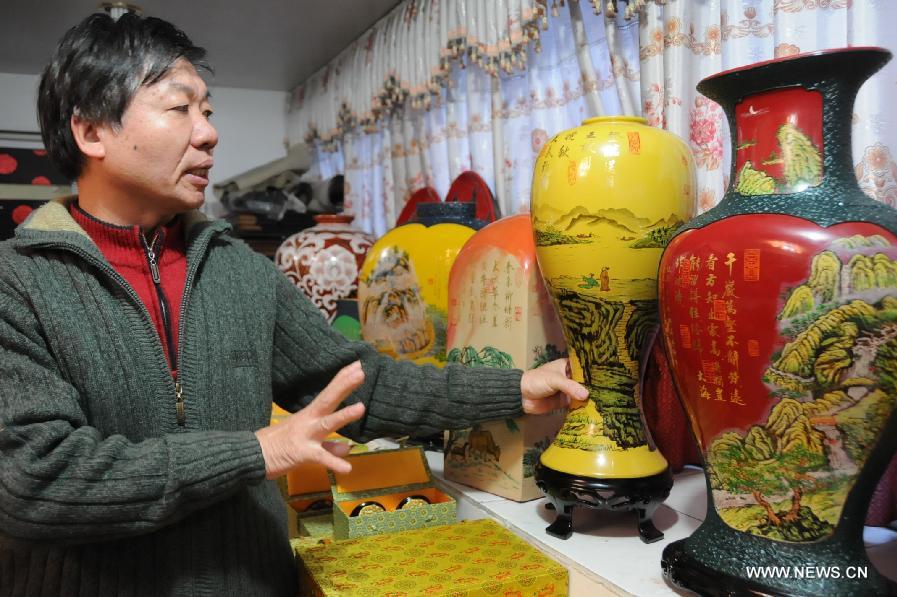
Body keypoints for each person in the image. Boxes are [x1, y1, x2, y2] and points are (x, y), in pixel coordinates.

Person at [0, 13, 587, 596]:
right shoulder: (17, 283)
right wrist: (255, 451)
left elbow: (362, 386)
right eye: (180, 109)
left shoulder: (239, 271)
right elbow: (35, 482)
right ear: (92, 132)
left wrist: (514, 388)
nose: (207, 133)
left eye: (207, 112)